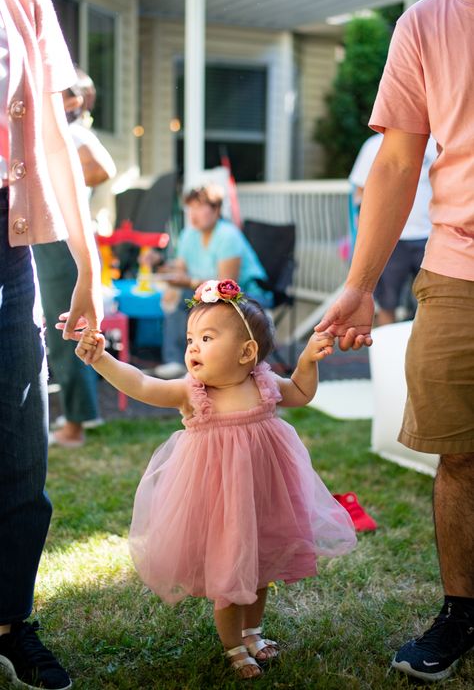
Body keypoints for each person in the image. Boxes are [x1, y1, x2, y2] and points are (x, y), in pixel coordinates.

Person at [75, 278, 357, 680]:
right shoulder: (192, 392)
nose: (193, 347)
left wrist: (308, 361)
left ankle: (253, 631)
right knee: (230, 569)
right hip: (219, 500)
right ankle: (233, 647)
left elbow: (299, 392)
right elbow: (140, 383)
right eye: (191, 338)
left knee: (260, 565)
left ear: (247, 352)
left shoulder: (263, 383)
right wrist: (102, 359)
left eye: (207, 338)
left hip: (263, 494)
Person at [316, 0, 474, 682]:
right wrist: (357, 285)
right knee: (461, 454)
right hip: (457, 266)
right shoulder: (426, 22)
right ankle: (462, 613)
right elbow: (399, 160)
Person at [0, 0, 103, 689]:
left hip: (9, 255)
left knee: (21, 454)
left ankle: (10, 621)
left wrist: (88, 267)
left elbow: (55, 138)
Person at [33, 68, 116, 448]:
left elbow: (105, 169)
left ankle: (77, 423)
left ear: (74, 101)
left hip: (61, 243)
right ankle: (76, 414)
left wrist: (63, 189)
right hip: (49, 240)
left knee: (67, 327)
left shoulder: (73, 133)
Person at [153, 183, 270, 379]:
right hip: (207, 292)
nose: (193, 214)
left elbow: (227, 285)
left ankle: (212, 364)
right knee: (174, 297)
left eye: (199, 207)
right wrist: (161, 265)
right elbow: (180, 269)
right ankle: (177, 360)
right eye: (190, 208)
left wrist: (188, 283)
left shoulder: (228, 236)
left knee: (188, 298)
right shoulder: (189, 234)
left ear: (216, 210)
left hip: (246, 295)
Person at [349, 133, 436, 325]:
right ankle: (384, 354)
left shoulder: (435, 143)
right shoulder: (373, 145)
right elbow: (360, 194)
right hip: (390, 240)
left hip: (431, 236)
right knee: (387, 302)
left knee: (432, 304)